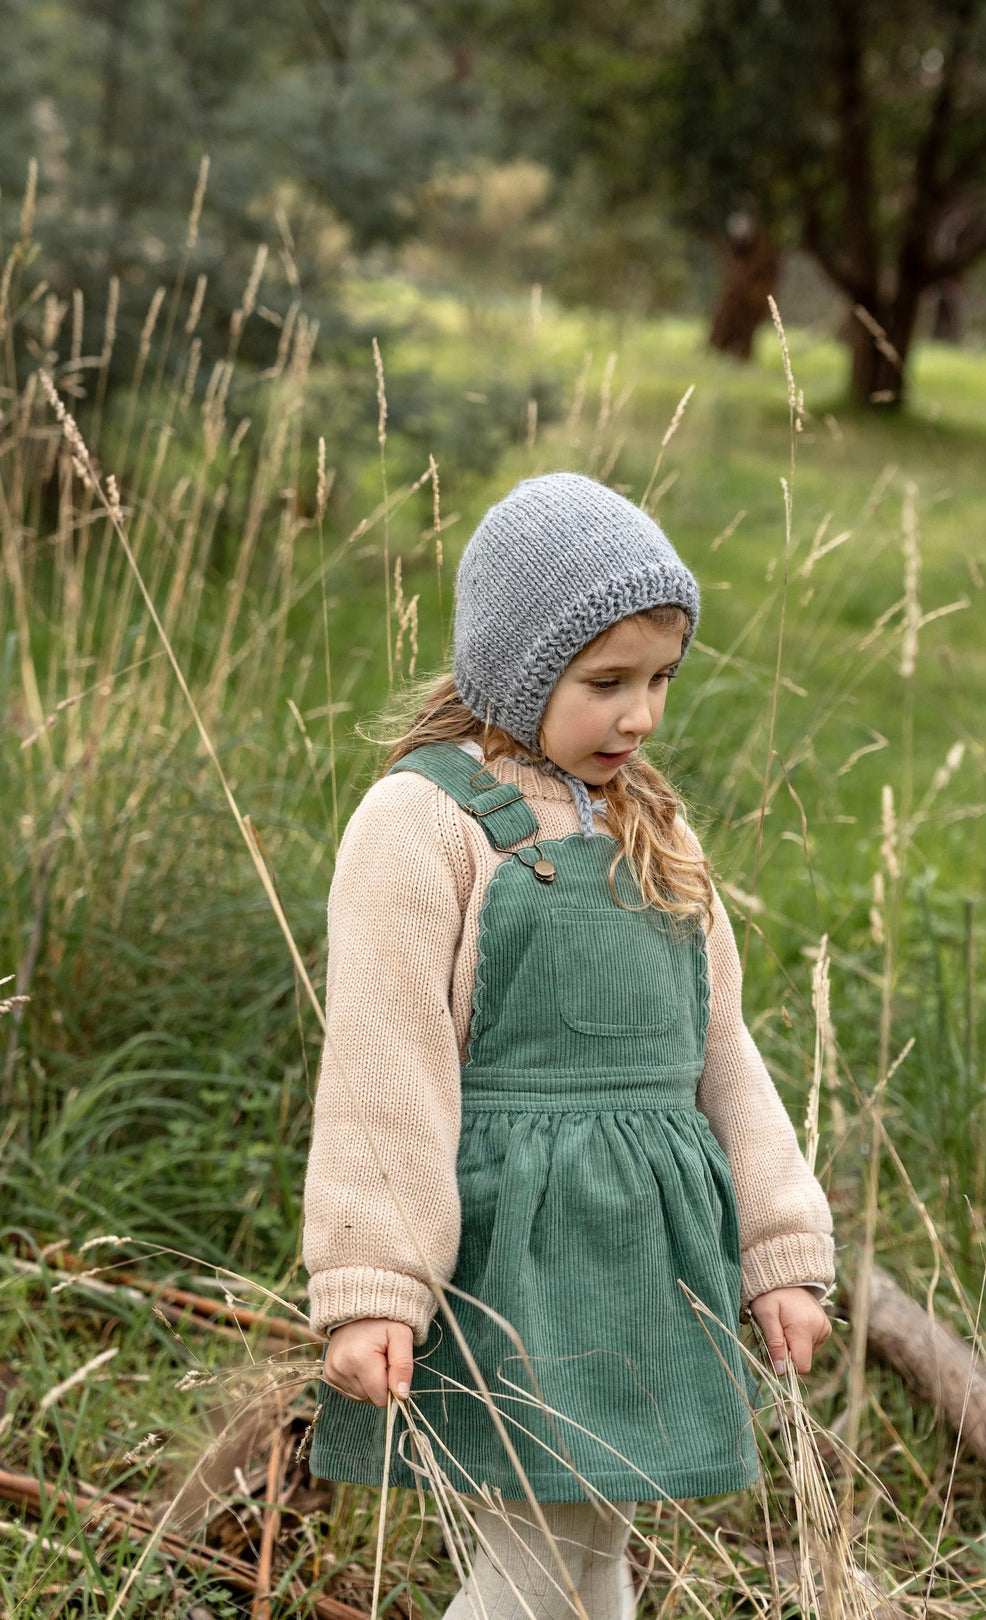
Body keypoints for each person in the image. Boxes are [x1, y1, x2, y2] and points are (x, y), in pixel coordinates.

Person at [301, 471, 835, 1617]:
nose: (640, 716)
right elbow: (384, 1070)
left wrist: (780, 1246)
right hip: (514, 1260)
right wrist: (372, 1285)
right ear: (515, 669)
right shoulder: (422, 825)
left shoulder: (657, 826)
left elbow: (720, 1052)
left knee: (593, 1548)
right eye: (606, 684)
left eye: (660, 682)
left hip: (642, 1261)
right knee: (537, 1563)